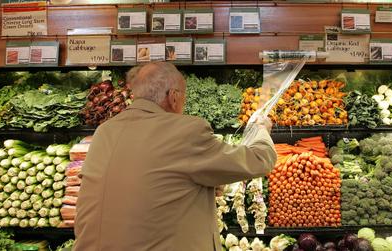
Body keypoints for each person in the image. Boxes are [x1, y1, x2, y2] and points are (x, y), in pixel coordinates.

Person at [73, 62, 277, 251]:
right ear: (173, 97)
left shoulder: (104, 131)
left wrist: (192, 185)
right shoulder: (185, 130)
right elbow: (258, 160)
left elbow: (139, 180)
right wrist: (260, 131)